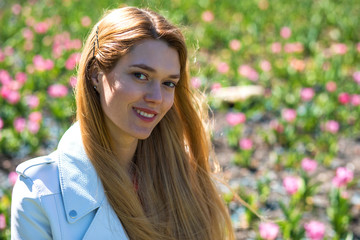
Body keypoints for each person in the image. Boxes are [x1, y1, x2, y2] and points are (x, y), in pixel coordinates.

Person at [11, 6, 234, 240]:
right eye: (140, 75)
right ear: (96, 74)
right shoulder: (40, 194)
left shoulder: (184, 177)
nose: (156, 97)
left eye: (168, 83)